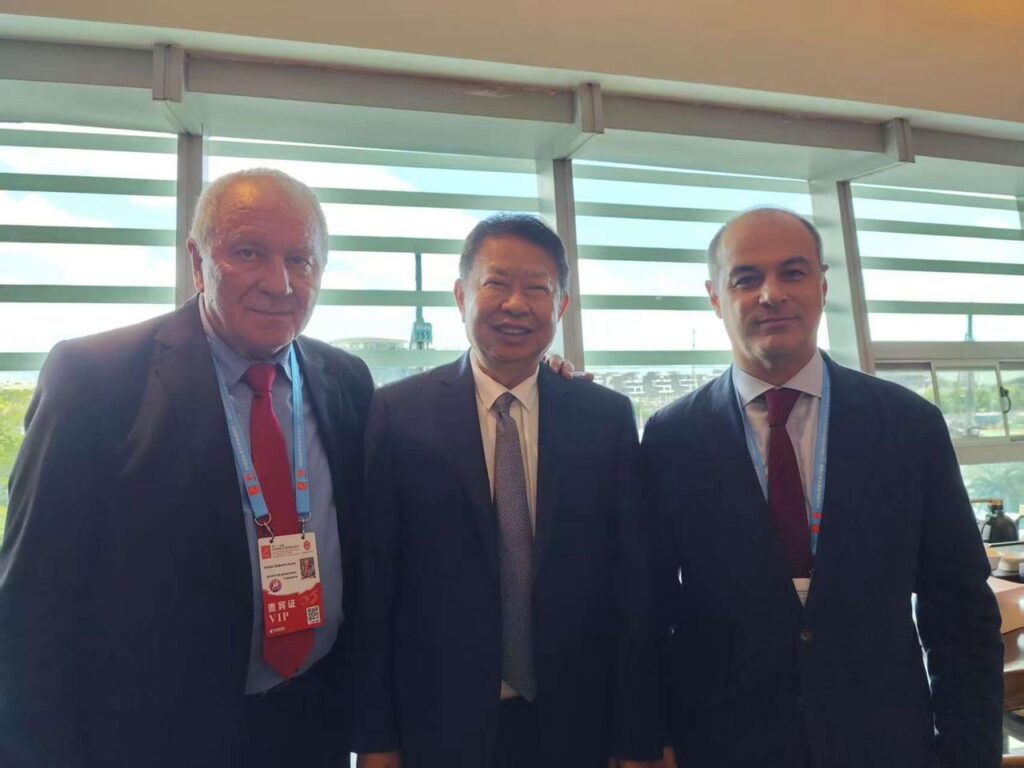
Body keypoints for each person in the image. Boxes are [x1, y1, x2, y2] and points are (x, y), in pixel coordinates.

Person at [0, 169, 374, 767]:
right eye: (248, 253)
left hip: (312, 722)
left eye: (300, 260)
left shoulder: (346, 381)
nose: (279, 283)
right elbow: (33, 599)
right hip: (155, 737)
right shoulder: (97, 378)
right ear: (198, 262)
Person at [642, 207, 1004, 768]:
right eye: (746, 278)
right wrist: (652, 736)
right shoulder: (671, 436)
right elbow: (651, 608)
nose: (771, 294)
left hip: (886, 744)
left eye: (793, 272)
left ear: (822, 285)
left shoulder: (909, 425)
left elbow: (959, 609)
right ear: (715, 297)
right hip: (724, 745)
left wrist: (968, 754)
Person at [348, 213, 661, 768]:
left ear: (561, 306)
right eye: (496, 283)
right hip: (439, 722)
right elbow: (377, 586)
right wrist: (376, 739)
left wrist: (637, 737)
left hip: (577, 720)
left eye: (537, 288)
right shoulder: (398, 413)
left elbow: (632, 588)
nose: (516, 305)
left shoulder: (605, 418)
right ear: (460, 295)